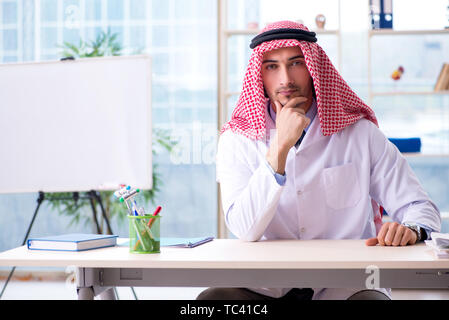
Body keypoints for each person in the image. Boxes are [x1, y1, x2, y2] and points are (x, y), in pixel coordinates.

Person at [197, 21, 441, 300]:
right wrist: (279, 148)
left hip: (346, 285)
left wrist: (409, 229)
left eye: (296, 63)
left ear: (314, 68)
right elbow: (244, 228)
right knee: (212, 301)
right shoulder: (236, 139)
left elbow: (422, 209)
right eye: (272, 66)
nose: (285, 78)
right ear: (260, 76)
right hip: (264, 284)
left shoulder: (360, 134)